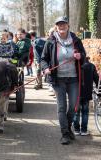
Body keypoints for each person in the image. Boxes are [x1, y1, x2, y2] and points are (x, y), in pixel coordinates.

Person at [41, 17, 86, 145]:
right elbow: (43, 59)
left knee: (73, 106)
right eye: (59, 24)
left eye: (64, 24)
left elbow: (84, 56)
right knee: (62, 107)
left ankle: (68, 127)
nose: (61, 26)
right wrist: (46, 68)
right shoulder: (50, 41)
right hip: (58, 79)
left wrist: (80, 56)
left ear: (68, 25)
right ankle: (65, 133)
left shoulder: (76, 40)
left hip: (73, 78)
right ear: (56, 27)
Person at [73, 57, 99, 136]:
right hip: (87, 93)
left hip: (76, 93)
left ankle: (76, 130)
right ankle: (84, 130)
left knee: (76, 112)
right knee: (85, 112)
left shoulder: (75, 66)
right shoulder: (91, 66)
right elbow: (97, 79)